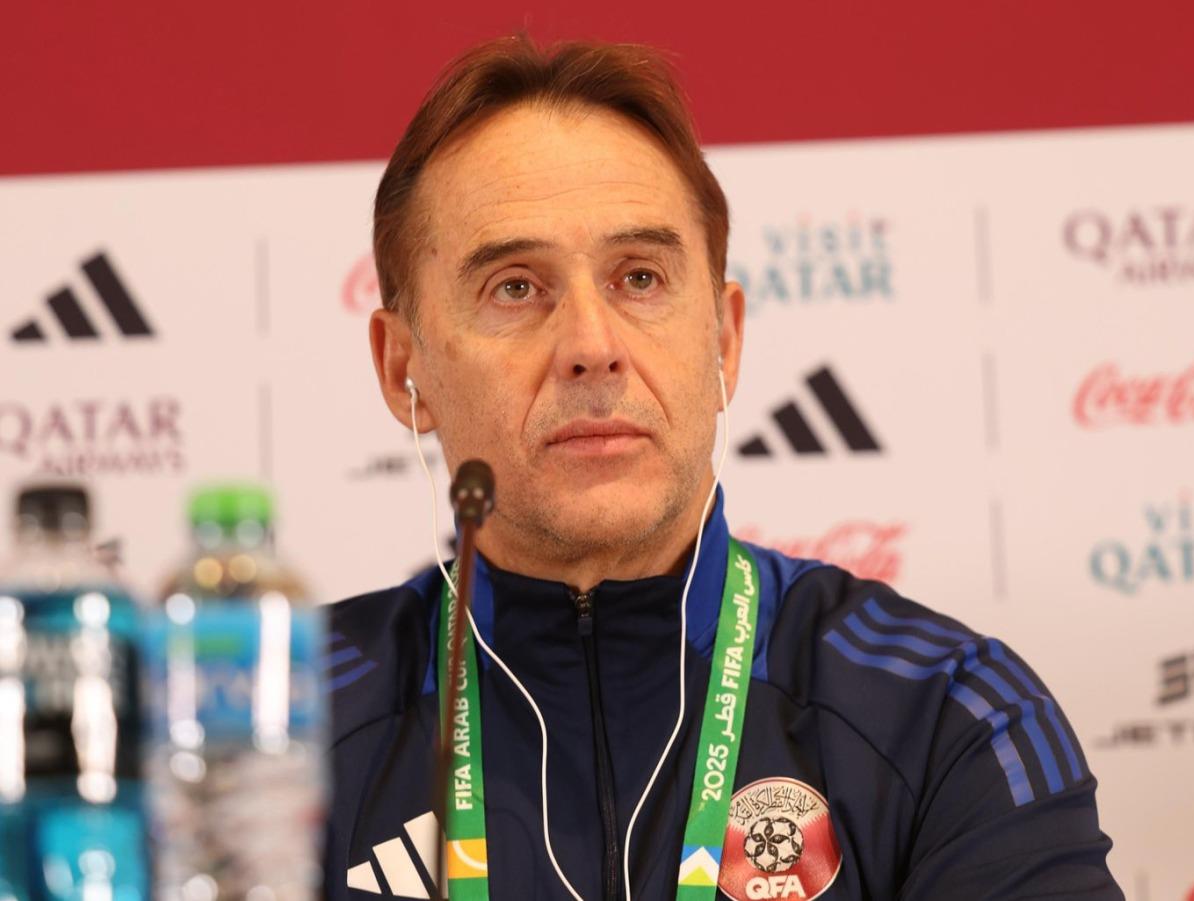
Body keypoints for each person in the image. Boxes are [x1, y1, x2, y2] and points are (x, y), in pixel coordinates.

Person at [324, 34, 1123, 901]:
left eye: (639, 278)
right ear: (402, 369)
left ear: (725, 339)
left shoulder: (947, 715)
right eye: (515, 286)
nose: (592, 345)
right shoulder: (273, 734)